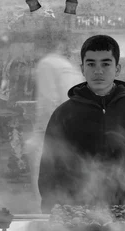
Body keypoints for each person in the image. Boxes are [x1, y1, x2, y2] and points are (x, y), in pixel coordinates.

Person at [38, 35, 125, 213]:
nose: (98, 71)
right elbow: (49, 167)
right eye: (91, 64)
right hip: (76, 212)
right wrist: (50, 208)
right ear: (82, 69)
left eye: (105, 64)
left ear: (117, 68)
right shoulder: (63, 114)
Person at [29, 37, 84, 204]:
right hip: (74, 128)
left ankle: (48, 215)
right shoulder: (67, 65)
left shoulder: (47, 64)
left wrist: (43, 133)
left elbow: (48, 101)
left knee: (44, 174)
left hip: (55, 129)